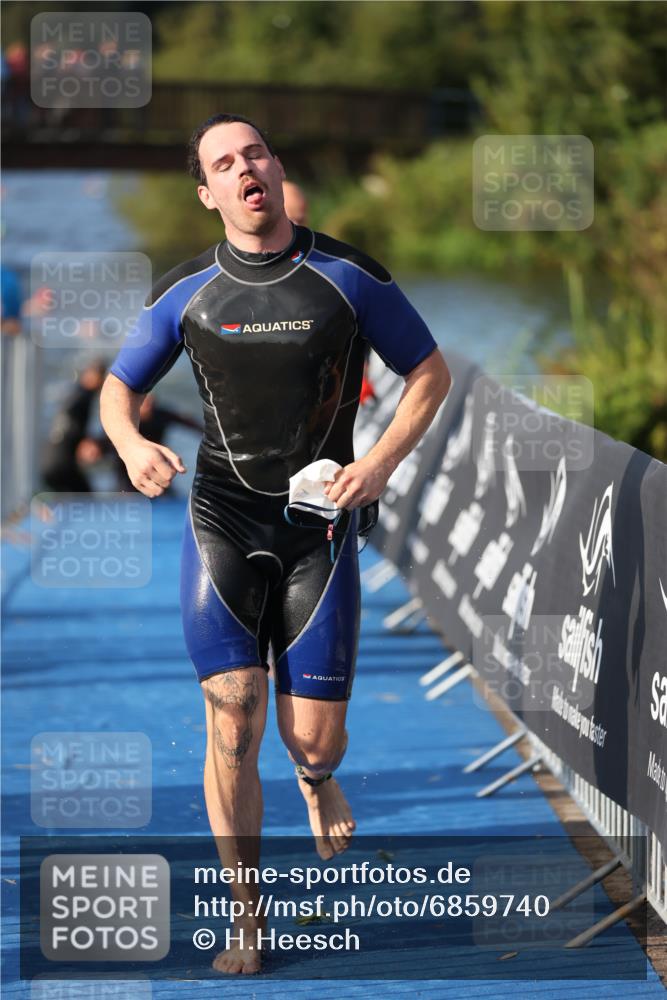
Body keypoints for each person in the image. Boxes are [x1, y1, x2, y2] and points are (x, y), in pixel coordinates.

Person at [100, 113, 451, 975]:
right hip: (220, 515)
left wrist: (374, 464)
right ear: (207, 192)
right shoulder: (187, 292)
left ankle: (313, 776)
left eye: (253, 152)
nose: (243, 168)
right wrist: (132, 444)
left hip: (317, 527)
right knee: (231, 716)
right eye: (224, 162)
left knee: (315, 744)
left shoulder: (348, 276)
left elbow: (429, 374)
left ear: (273, 167)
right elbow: (117, 388)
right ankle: (247, 920)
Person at [41, 361, 106, 493]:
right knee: (84, 496)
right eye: (100, 377)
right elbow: (70, 420)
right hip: (61, 464)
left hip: (52, 462)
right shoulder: (82, 395)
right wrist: (84, 441)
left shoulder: (76, 393)